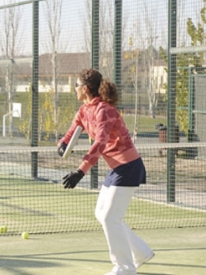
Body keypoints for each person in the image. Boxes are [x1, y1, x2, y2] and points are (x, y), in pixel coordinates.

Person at [58, 69, 154, 275]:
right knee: (102, 214)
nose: (73, 88)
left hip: (128, 167)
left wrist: (80, 171)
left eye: (76, 85)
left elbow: (100, 143)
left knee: (111, 217)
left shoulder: (105, 110)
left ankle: (125, 268)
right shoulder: (85, 110)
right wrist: (63, 143)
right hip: (116, 168)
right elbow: (73, 128)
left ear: (85, 89)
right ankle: (141, 252)